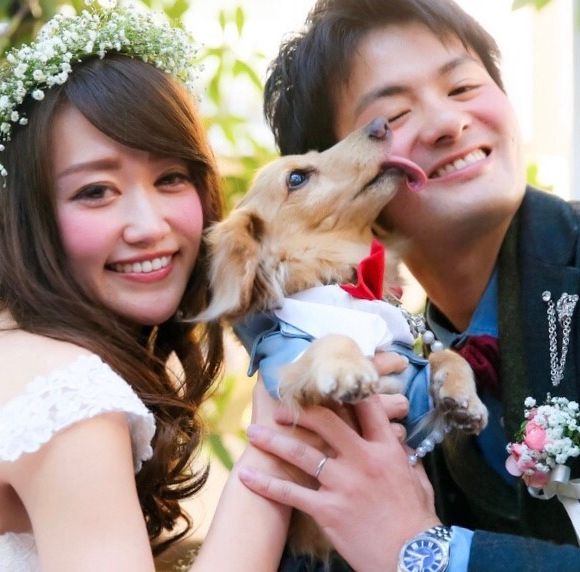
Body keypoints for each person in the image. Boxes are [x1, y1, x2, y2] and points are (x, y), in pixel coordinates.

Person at [0, 3, 417, 571]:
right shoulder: (68, 400)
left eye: (171, 178)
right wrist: (281, 442)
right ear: (29, 216)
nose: (149, 226)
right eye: (95, 191)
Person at [235, 0, 580, 570]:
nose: (448, 123)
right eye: (391, 118)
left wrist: (425, 548)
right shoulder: (383, 360)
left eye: (463, 87)